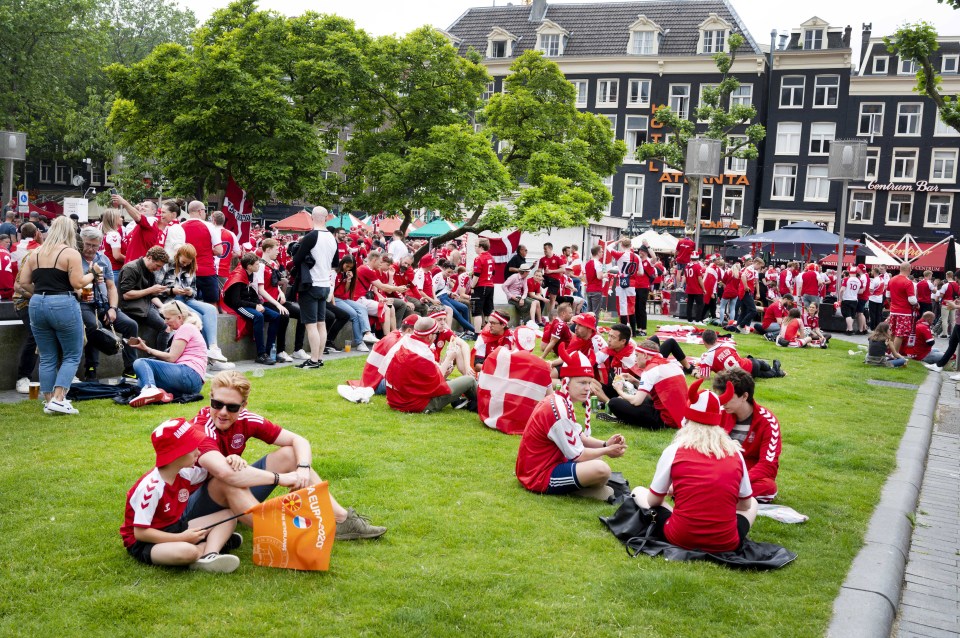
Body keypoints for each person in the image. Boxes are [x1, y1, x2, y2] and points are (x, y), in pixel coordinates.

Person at [184, 371, 387, 539]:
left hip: (229, 491)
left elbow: (299, 441)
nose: (223, 412)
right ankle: (286, 537)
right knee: (228, 480)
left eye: (232, 407)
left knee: (291, 455)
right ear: (210, 398)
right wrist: (281, 479)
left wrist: (303, 469)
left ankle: (342, 520)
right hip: (190, 507)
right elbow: (226, 474)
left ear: (244, 405)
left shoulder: (246, 419)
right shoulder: (200, 429)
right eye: (217, 404)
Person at [631, 379, 758, 553]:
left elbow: (654, 501)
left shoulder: (674, 450)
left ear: (687, 419)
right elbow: (745, 505)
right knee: (754, 503)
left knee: (639, 491)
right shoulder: (735, 452)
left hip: (680, 537)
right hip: (726, 542)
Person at [120, 418, 241, 572]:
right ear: (177, 454)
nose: (198, 452)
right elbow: (141, 533)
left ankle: (210, 555)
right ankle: (212, 545)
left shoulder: (184, 473)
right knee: (187, 552)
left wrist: (230, 459)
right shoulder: (151, 488)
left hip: (175, 527)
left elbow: (215, 472)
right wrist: (182, 538)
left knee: (229, 515)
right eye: (193, 448)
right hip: (146, 542)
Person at [515, 346, 627, 499]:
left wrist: (605, 444)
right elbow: (579, 455)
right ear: (566, 381)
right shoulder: (559, 408)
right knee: (602, 470)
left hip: (546, 463)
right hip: (538, 475)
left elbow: (579, 437)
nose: (587, 388)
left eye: (589, 382)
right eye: (582, 383)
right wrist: (607, 451)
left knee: (597, 461)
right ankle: (578, 490)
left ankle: (581, 488)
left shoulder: (562, 400)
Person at [17, 216, 97, 415]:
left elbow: (23, 283)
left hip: (37, 304)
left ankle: (49, 400)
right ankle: (60, 399)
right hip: (62, 302)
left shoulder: (35, 253)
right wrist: (93, 274)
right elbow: (79, 283)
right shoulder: (70, 253)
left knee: (47, 356)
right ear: (71, 232)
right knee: (72, 353)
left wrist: (41, 292)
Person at [77, 226, 140, 380]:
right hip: (84, 303)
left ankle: (130, 368)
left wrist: (112, 308)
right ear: (80, 242)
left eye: (95, 245)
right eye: (88, 244)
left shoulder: (103, 259)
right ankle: (91, 370)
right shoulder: (75, 259)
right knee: (94, 327)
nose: (91, 249)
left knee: (131, 325)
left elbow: (112, 287)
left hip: (104, 303)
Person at [713, 369, 783, 503]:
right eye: (721, 396)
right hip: (719, 468)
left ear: (744, 396)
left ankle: (717, 493)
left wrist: (739, 480)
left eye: (728, 397)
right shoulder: (718, 414)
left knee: (768, 487)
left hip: (747, 474)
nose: (722, 402)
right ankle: (724, 494)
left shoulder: (768, 422)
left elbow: (768, 465)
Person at [159, 244, 233, 367]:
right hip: (171, 299)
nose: (185, 265)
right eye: (183, 262)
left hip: (187, 299)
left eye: (188, 263)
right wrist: (172, 290)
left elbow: (193, 291)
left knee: (210, 309)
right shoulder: (167, 265)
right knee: (197, 316)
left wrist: (190, 291)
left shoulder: (191, 268)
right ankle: (208, 359)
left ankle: (213, 349)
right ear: (178, 256)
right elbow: (157, 288)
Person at [385, 317, 477, 413]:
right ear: (429, 336)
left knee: (453, 381)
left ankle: (465, 402)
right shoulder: (423, 353)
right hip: (416, 404)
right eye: (436, 333)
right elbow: (437, 381)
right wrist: (449, 358)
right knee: (469, 380)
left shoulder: (404, 342)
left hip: (396, 399)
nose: (436, 336)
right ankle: (484, 404)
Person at [128, 301, 208, 406]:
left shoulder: (186, 327)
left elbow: (171, 358)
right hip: (193, 382)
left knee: (140, 362)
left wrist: (147, 349)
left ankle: (150, 388)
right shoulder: (189, 328)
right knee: (141, 381)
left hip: (189, 374)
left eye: (168, 318)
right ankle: (162, 394)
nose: (165, 322)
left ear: (179, 317)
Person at [291, 206, 340, 369]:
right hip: (325, 283)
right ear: (326, 218)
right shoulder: (332, 238)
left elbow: (297, 259)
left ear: (312, 217)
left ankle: (313, 360)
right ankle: (318, 358)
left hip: (311, 283)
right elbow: (335, 264)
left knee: (311, 324)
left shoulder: (312, 236)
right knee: (321, 323)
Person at [606, 340, 689, 429]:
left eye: (637, 355)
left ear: (645, 355)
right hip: (682, 416)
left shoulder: (650, 370)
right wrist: (635, 381)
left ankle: (627, 418)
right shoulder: (673, 365)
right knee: (635, 398)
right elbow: (657, 394)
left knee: (614, 402)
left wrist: (619, 390)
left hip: (665, 420)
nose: (635, 359)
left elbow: (636, 401)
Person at [221, 252, 279, 366]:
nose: (259, 266)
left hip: (249, 303)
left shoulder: (250, 274)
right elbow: (236, 302)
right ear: (249, 266)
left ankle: (269, 350)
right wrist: (255, 306)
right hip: (238, 306)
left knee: (275, 316)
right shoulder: (238, 277)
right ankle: (261, 354)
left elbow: (252, 294)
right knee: (258, 316)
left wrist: (258, 303)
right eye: (257, 264)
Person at [118, 245, 171, 347]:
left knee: (170, 319)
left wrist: (163, 307)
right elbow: (126, 295)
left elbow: (151, 295)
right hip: (132, 307)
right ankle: (162, 358)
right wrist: (151, 290)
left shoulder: (150, 271)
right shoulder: (131, 268)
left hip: (145, 305)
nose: (158, 269)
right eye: (158, 265)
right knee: (166, 327)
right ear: (149, 257)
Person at [697, 329, 784, 379]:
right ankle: (776, 366)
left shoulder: (706, 357)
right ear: (716, 339)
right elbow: (738, 358)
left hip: (742, 377)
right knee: (761, 364)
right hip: (750, 365)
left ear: (704, 341)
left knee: (766, 374)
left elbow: (705, 377)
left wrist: (695, 373)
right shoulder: (727, 344)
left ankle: (776, 370)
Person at [887, 262, 919, 356]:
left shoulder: (892, 279)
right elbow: (912, 299)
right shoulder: (908, 282)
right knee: (900, 334)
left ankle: (889, 351)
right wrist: (917, 304)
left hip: (893, 310)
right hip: (904, 312)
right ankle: (895, 354)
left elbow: (887, 296)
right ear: (909, 269)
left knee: (892, 332)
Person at [470, 238, 496, 332]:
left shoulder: (479, 258)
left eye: (475, 246)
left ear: (481, 247)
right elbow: (493, 272)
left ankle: (477, 333)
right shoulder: (491, 257)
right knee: (488, 311)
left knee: (477, 312)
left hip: (481, 286)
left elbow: (476, 275)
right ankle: (490, 331)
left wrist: (472, 286)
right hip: (490, 286)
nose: (475, 248)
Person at [538, 242, 564, 319]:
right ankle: (538, 293)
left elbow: (563, 269)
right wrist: (540, 275)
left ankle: (550, 316)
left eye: (546, 249)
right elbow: (539, 270)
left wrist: (551, 271)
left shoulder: (558, 258)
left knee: (552, 299)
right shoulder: (542, 259)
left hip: (554, 279)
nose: (544, 251)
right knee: (538, 281)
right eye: (544, 249)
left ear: (550, 248)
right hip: (545, 278)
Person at [684, 252, 705, 324]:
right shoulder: (697, 266)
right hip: (697, 288)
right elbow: (700, 279)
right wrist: (703, 288)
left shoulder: (687, 266)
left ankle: (689, 319)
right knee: (700, 304)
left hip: (689, 287)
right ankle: (698, 320)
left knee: (689, 304)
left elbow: (685, 277)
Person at [584, 245, 605, 316]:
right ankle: (593, 327)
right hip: (596, 289)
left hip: (589, 289)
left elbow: (585, 278)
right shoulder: (598, 263)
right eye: (601, 252)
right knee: (595, 313)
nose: (602, 253)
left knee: (589, 312)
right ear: (598, 252)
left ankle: (586, 326)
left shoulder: (587, 263)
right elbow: (599, 276)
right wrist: (605, 275)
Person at [937, 271, 960, 338]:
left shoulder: (945, 285)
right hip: (954, 302)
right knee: (953, 319)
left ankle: (945, 333)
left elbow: (941, 295)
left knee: (945, 319)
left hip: (946, 302)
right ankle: (953, 333)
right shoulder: (957, 285)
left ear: (947, 276)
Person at [867, 267, 887, 331]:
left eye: (872, 271)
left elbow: (871, 289)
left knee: (872, 313)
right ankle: (878, 327)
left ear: (875, 272)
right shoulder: (882, 279)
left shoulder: (874, 280)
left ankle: (873, 327)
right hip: (880, 298)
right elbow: (883, 288)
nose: (871, 272)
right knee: (878, 313)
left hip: (873, 298)